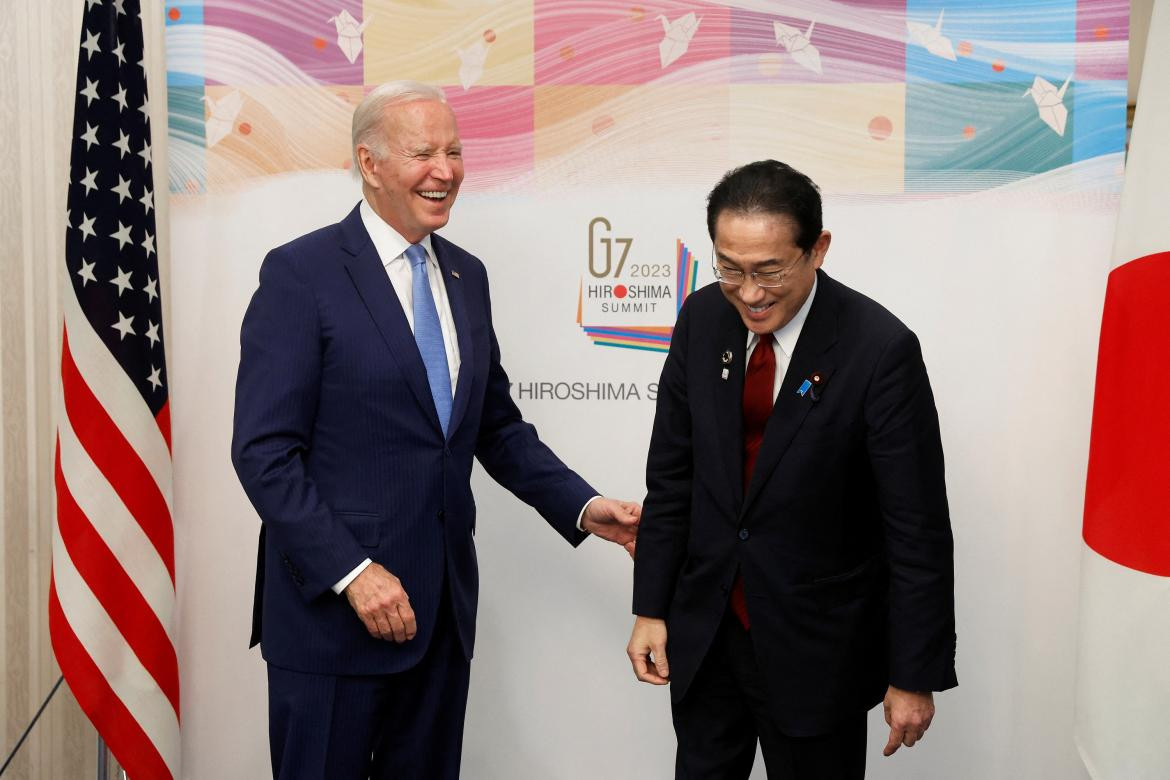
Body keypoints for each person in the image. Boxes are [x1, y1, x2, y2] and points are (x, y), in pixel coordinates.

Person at [231, 81, 640, 779]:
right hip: (335, 619)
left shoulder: (465, 276)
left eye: (454, 151)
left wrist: (581, 505)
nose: (446, 170)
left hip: (440, 617)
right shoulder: (301, 273)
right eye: (424, 152)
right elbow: (264, 452)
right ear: (369, 162)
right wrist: (353, 573)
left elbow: (496, 428)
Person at [626, 160, 957, 779]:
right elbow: (672, 479)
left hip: (817, 649)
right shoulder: (702, 319)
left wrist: (914, 674)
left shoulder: (879, 349)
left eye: (769, 271)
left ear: (817, 250)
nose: (749, 293)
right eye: (731, 269)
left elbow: (916, 529)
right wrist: (651, 607)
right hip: (708, 632)